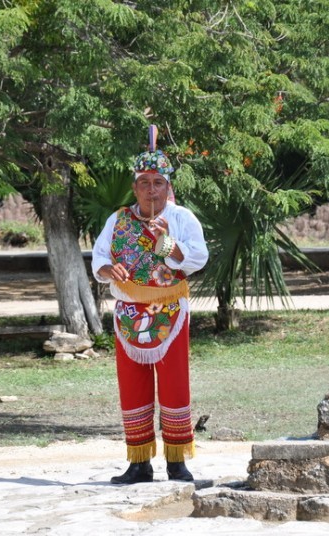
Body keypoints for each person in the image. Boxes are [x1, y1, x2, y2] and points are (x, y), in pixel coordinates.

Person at [91, 139, 208, 485]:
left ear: (168, 186)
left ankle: (176, 461)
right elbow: (99, 256)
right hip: (128, 314)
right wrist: (108, 270)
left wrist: (168, 243)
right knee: (132, 386)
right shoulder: (119, 220)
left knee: (174, 384)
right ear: (134, 187)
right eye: (144, 183)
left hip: (169, 311)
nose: (151, 190)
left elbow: (199, 258)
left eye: (158, 183)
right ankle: (139, 462)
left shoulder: (181, 218)